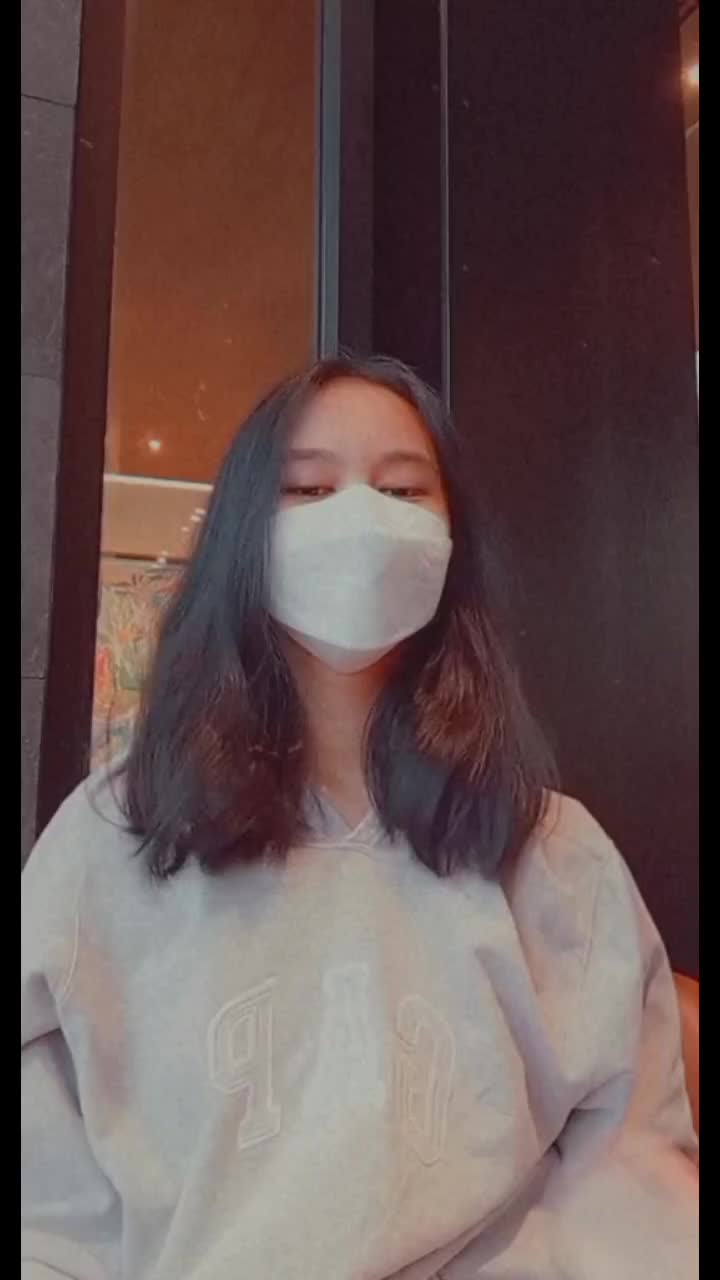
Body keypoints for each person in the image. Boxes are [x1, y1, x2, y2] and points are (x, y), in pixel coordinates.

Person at [22, 355, 698, 1280]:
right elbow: (45, 1204)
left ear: (453, 539)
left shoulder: (553, 851)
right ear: (243, 531)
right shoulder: (116, 836)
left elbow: (632, 1171)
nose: (359, 519)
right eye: (308, 488)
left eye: (402, 489)